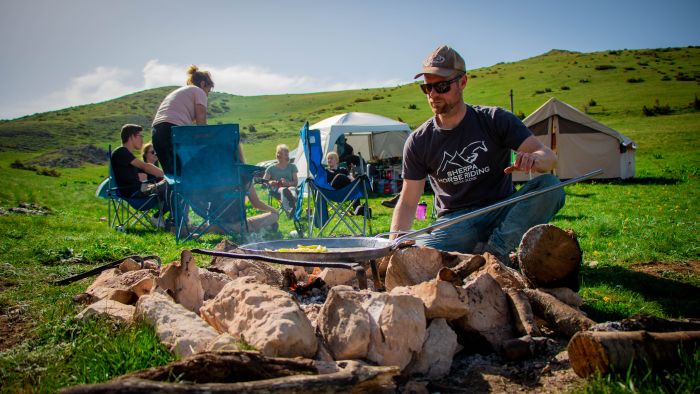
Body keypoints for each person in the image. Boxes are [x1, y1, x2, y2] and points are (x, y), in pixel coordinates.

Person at [390, 45, 564, 265]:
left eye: (441, 86)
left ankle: (496, 251)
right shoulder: (418, 141)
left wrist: (535, 159)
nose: (433, 94)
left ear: (462, 82)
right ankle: (487, 251)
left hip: (503, 210)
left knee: (550, 186)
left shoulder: (495, 119)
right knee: (420, 253)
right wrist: (394, 243)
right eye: (427, 88)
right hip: (457, 223)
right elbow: (407, 201)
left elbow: (549, 157)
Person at [152, 65, 227, 176]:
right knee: (187, 173)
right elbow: (201, 125)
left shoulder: (182, 92)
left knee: (172, 177)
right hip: (172, 131)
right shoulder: (198, 91)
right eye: (208, 90)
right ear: (202, 84)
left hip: (156, 132)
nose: (207, 94)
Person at [111, 124, 170, 226]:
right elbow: (146, 167)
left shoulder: (126, 155)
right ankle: (160, 217)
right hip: (136, 194)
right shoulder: (121, 151)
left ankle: (169, 219)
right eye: (140, 136)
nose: (142, 140)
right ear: (131, 136)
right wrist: (168, 176)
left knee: (172, 186)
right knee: (172, 184)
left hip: (140, 189)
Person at [263, 144, 298, 217]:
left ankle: (291, 207)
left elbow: (295, 182)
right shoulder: (271, 168)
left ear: (287, 155)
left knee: (292, 189)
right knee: (283, 189)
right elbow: (264, 182)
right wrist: (270, 182)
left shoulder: (292, 167)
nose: (278, 155)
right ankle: (289, 209)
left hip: (290, 187)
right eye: (278, 153)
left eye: (281, 154)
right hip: (276, 189)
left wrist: (287, 183)